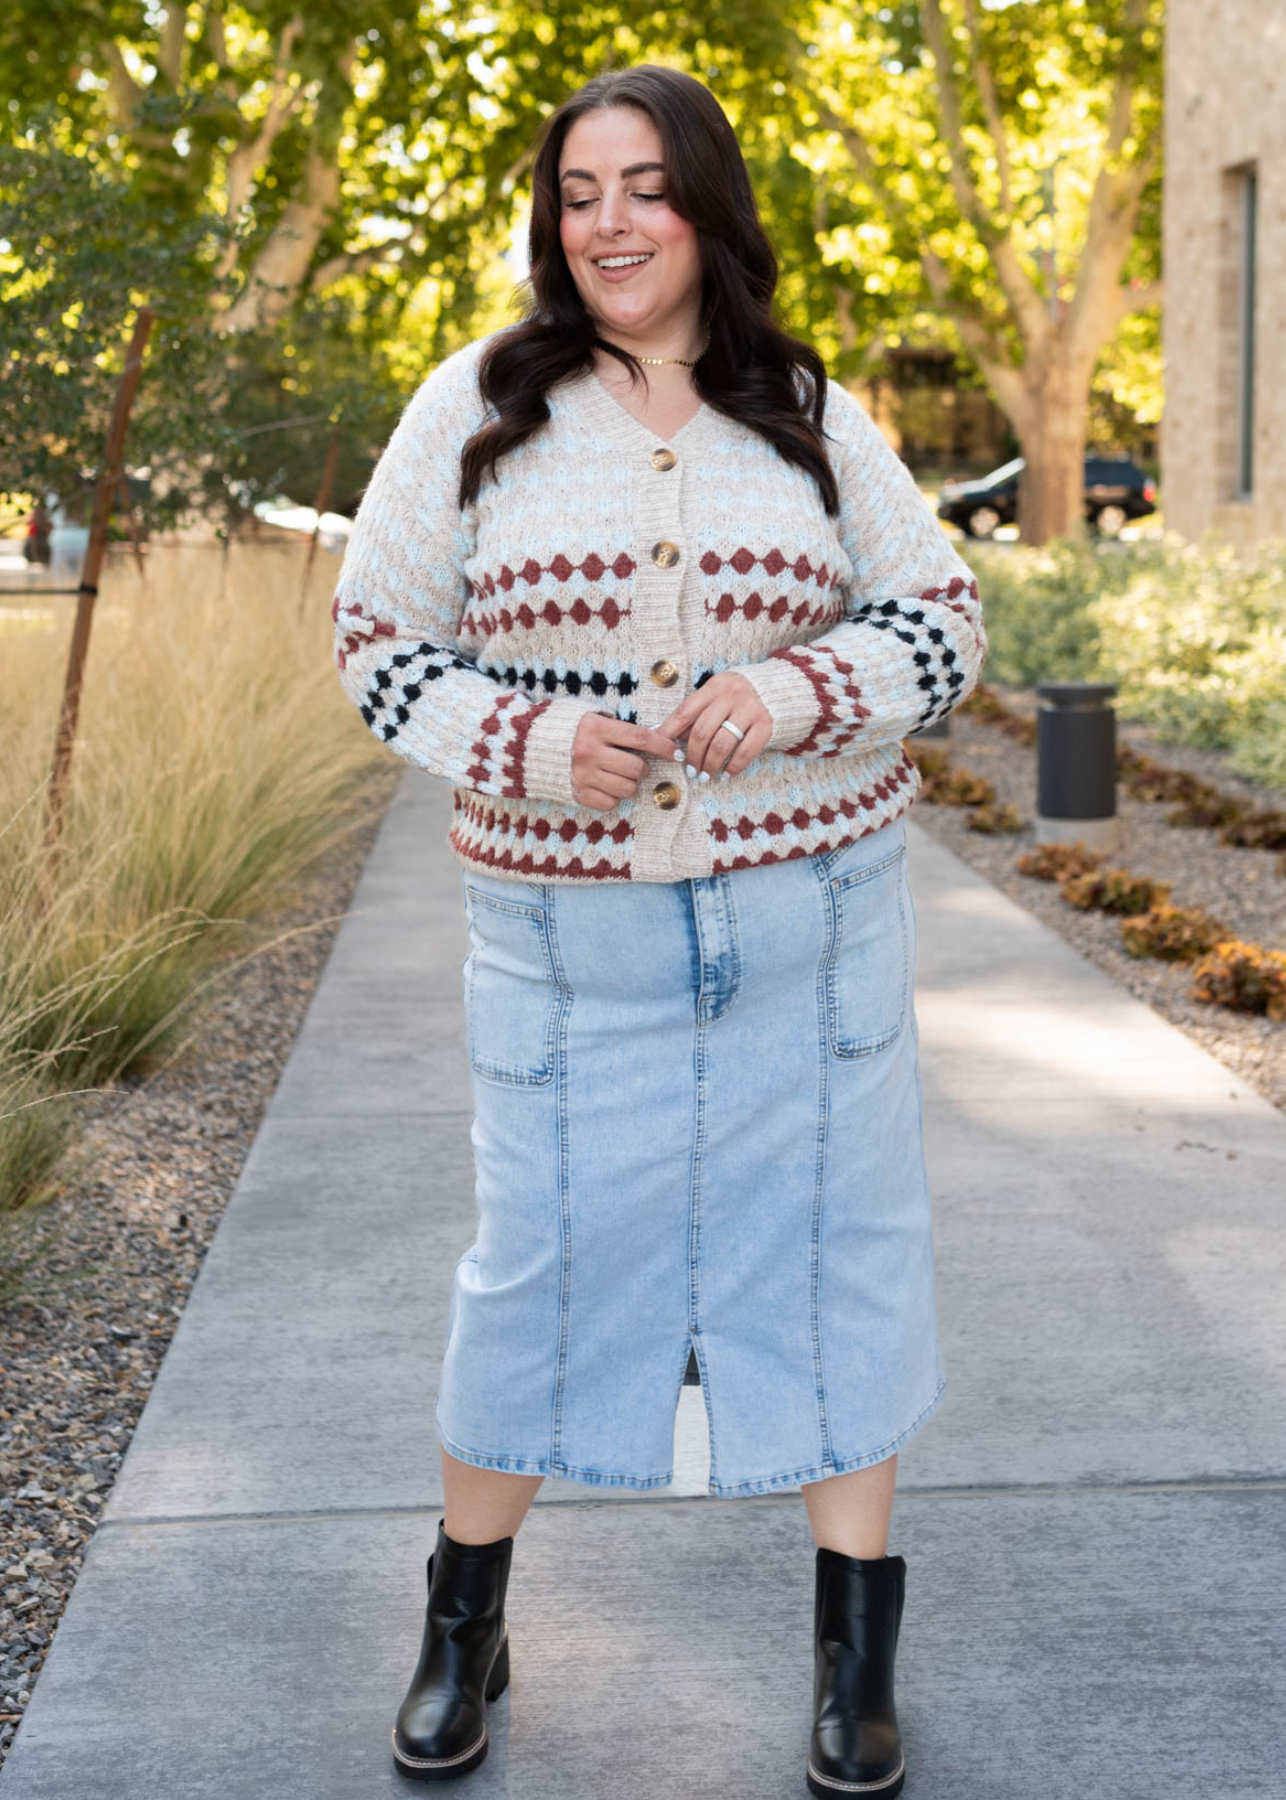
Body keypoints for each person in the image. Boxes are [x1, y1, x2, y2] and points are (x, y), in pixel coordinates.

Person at [332, 63, 984, 1797]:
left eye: (644, 186)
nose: (609, 221)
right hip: (565, 943)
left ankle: (853, 1661)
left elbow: (941, 615)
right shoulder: (476, 403)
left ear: (704, 205)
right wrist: (531, 743)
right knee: (537, 1266)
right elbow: (377, 642)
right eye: (578, 191)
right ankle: (462, 1628)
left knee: (840, 1259)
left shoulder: (808, 412)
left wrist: (792, 690)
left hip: (811, 919)